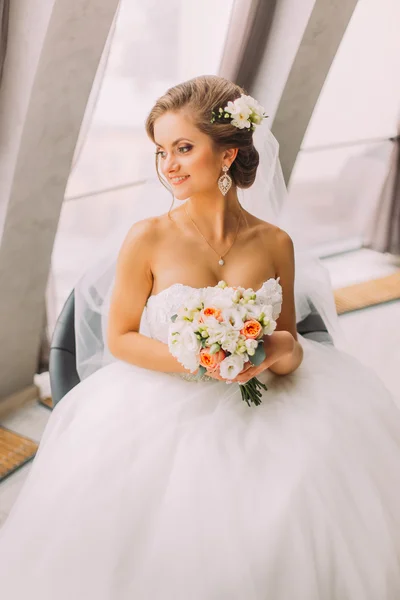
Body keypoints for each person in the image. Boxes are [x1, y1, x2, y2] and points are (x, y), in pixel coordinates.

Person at [1, 75, 400, 599]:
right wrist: (200, 361)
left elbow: (286, 342)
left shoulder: (275, 241)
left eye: (184, 148)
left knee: (305, 497)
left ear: (228, 154)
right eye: (161, 150)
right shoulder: (147, 237)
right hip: (160, 397)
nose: (169, 165)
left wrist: (277, 353)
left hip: (271, 400)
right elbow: (119, 337)